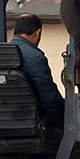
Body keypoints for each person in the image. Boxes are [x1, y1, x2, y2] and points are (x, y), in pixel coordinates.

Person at [9, 13, 65, 141]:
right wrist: (70, 105)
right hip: (30, 129)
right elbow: (50, 99)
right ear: (37, 32)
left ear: (14, 32)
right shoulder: (35, 58)